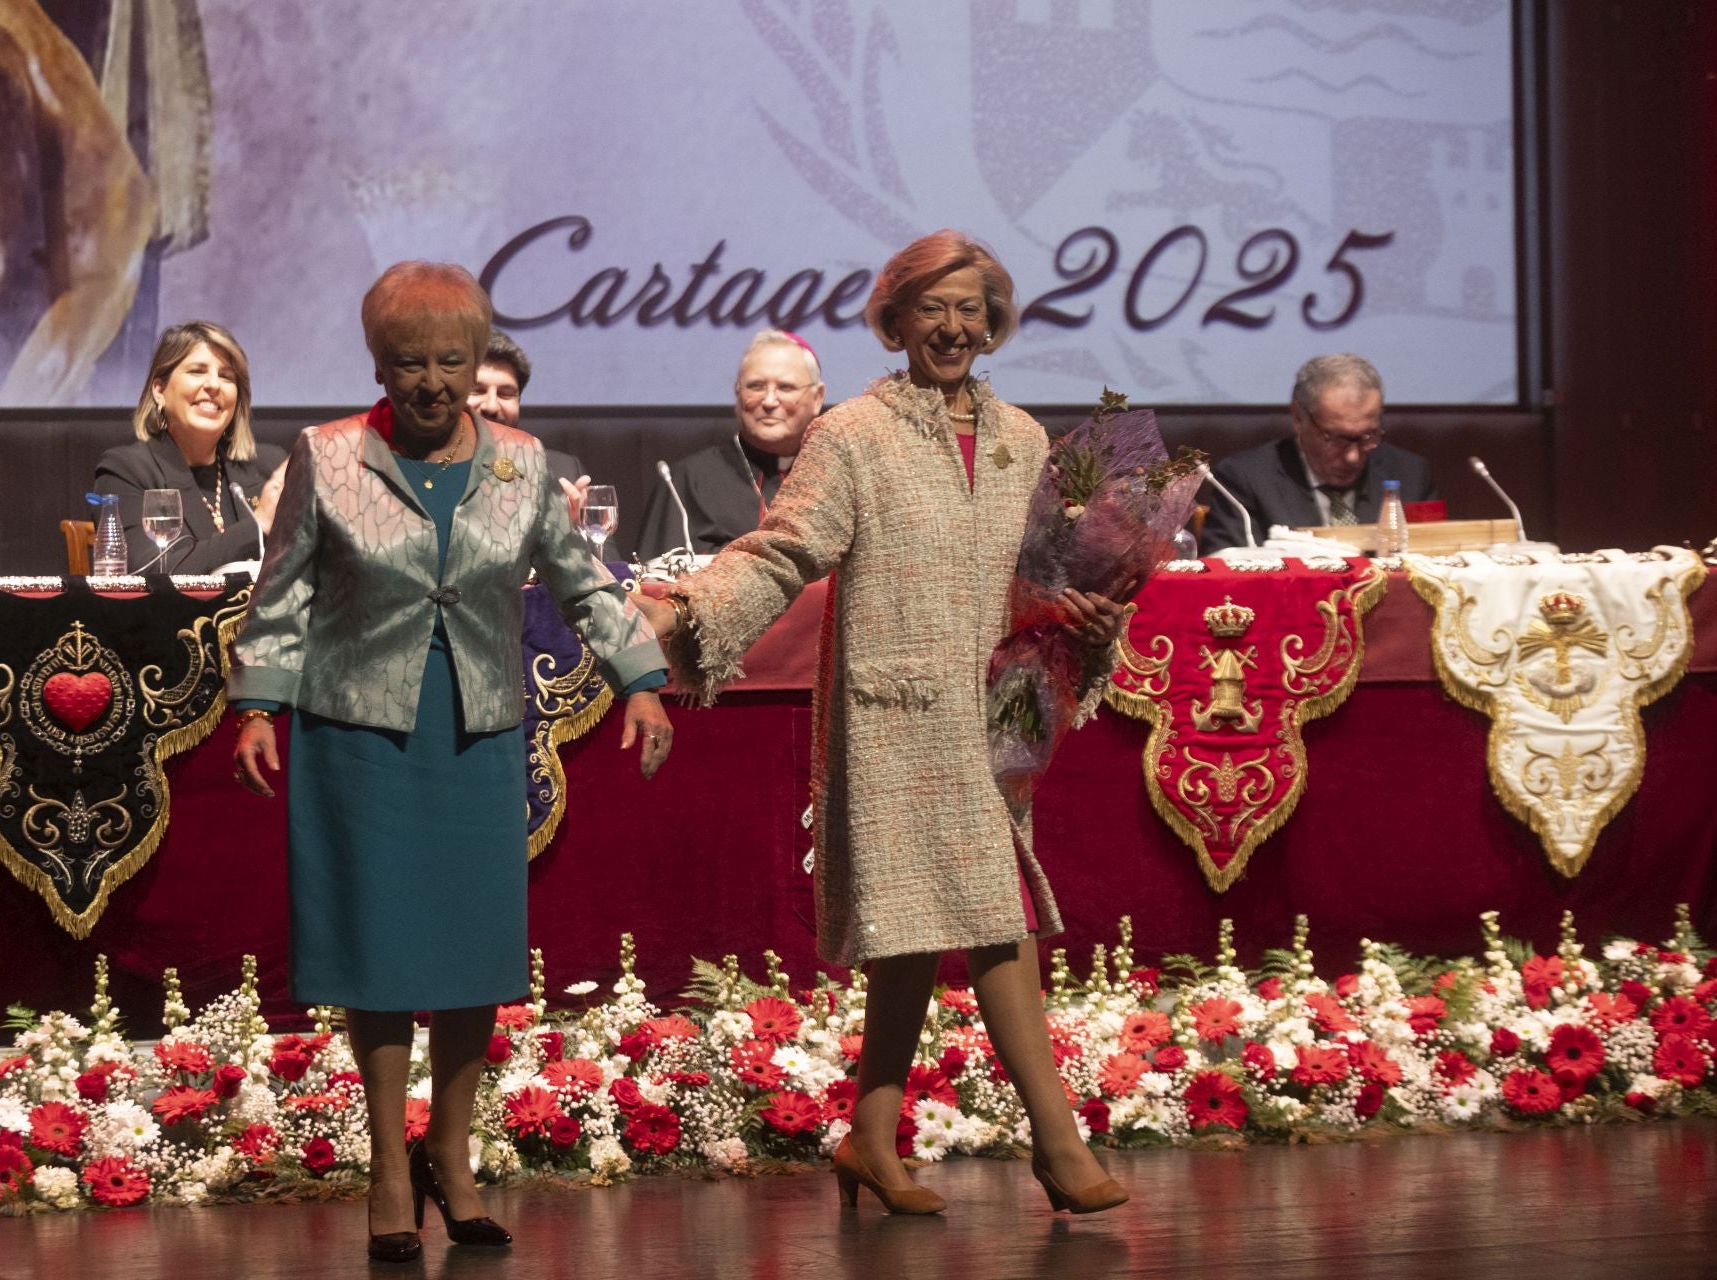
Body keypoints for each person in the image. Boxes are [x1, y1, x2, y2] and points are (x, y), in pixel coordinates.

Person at [635, 231, 1131, 1219]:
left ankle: (869, 1131)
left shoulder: (1029, 440)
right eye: (932, 306)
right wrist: (694, 612)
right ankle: (1058, 1138)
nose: (953, 324)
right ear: (895, 319)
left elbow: (1033, 579)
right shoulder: (853, 433)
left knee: (911, 929)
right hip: (900, 711)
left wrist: (1082, 612)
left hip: (1005, 704)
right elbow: (786, 547)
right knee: (998, 910)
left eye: (972, 307)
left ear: (994, 323)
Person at [228, 261, 672, 1261]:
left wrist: (641, 678)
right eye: (408, 361)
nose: (430, 380)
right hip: (356, 730)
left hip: (476, 726)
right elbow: (283, 589)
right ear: (377, 363)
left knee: (475, 954)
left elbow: (588, 585)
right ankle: (390, 1169)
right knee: (379, 954)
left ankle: (452, 1154)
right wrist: (257, 703)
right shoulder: (326, 454)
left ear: (479, 362)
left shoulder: (521, 461)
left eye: (450, 360)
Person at [93, 322, 287, 573]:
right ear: (160, 390)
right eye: (197, 371)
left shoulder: (269, 468)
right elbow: (146, 571)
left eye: (227, 376)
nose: (214, 385)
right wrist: (256, 526)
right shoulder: (126, 471)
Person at [1198, 353, 1437, 554]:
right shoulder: (1246, 479)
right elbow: (1223, 573)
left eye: (1367, 436)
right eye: (1334, 438)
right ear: (1298, 418)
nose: (1352, 456)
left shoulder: (1411, 475)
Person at [637, 329, 825, 556]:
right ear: (737, 393)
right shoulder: (688, 480)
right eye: (755, 386)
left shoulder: (833, 478)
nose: (769, 401)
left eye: (786, 387)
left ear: (817, 398)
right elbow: (656, 578)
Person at [469, 328, 590, 513]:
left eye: (506, 394)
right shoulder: (428, 470)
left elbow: (599, 540)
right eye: (477, 391)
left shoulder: (560, 470)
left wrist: (573, 531)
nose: (492, 406)